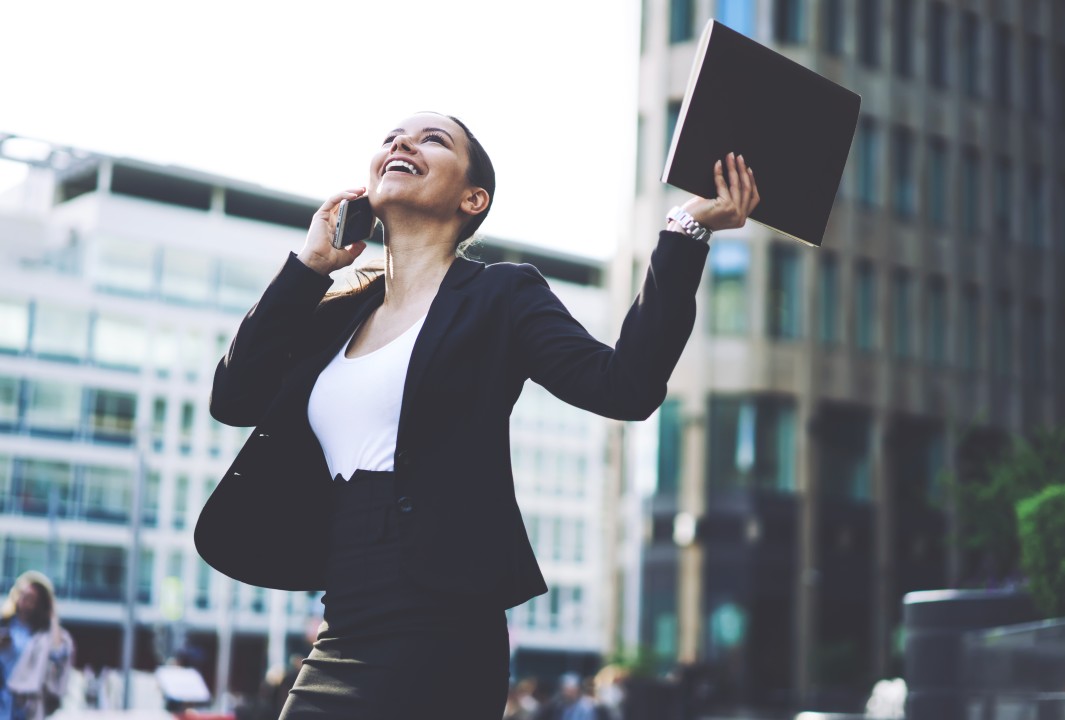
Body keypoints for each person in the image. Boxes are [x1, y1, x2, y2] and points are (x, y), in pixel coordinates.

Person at [195, 111, 759, 718]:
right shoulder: (336, 312)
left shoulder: (501, 295)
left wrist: (686, 231)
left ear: (473, 198)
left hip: (442, 619)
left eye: (432, 139)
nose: (402, 142)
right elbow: (234, 398)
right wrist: (307, 269)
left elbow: (625, 386)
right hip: (345, 616)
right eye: (391, 137)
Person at [0, 571, 73, 720]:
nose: (25, 601)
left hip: (26, 705)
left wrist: (52, 615)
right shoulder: (5, 625)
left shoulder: (43, 636)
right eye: (23, 594)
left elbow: (58, 654)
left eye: (32, 598)